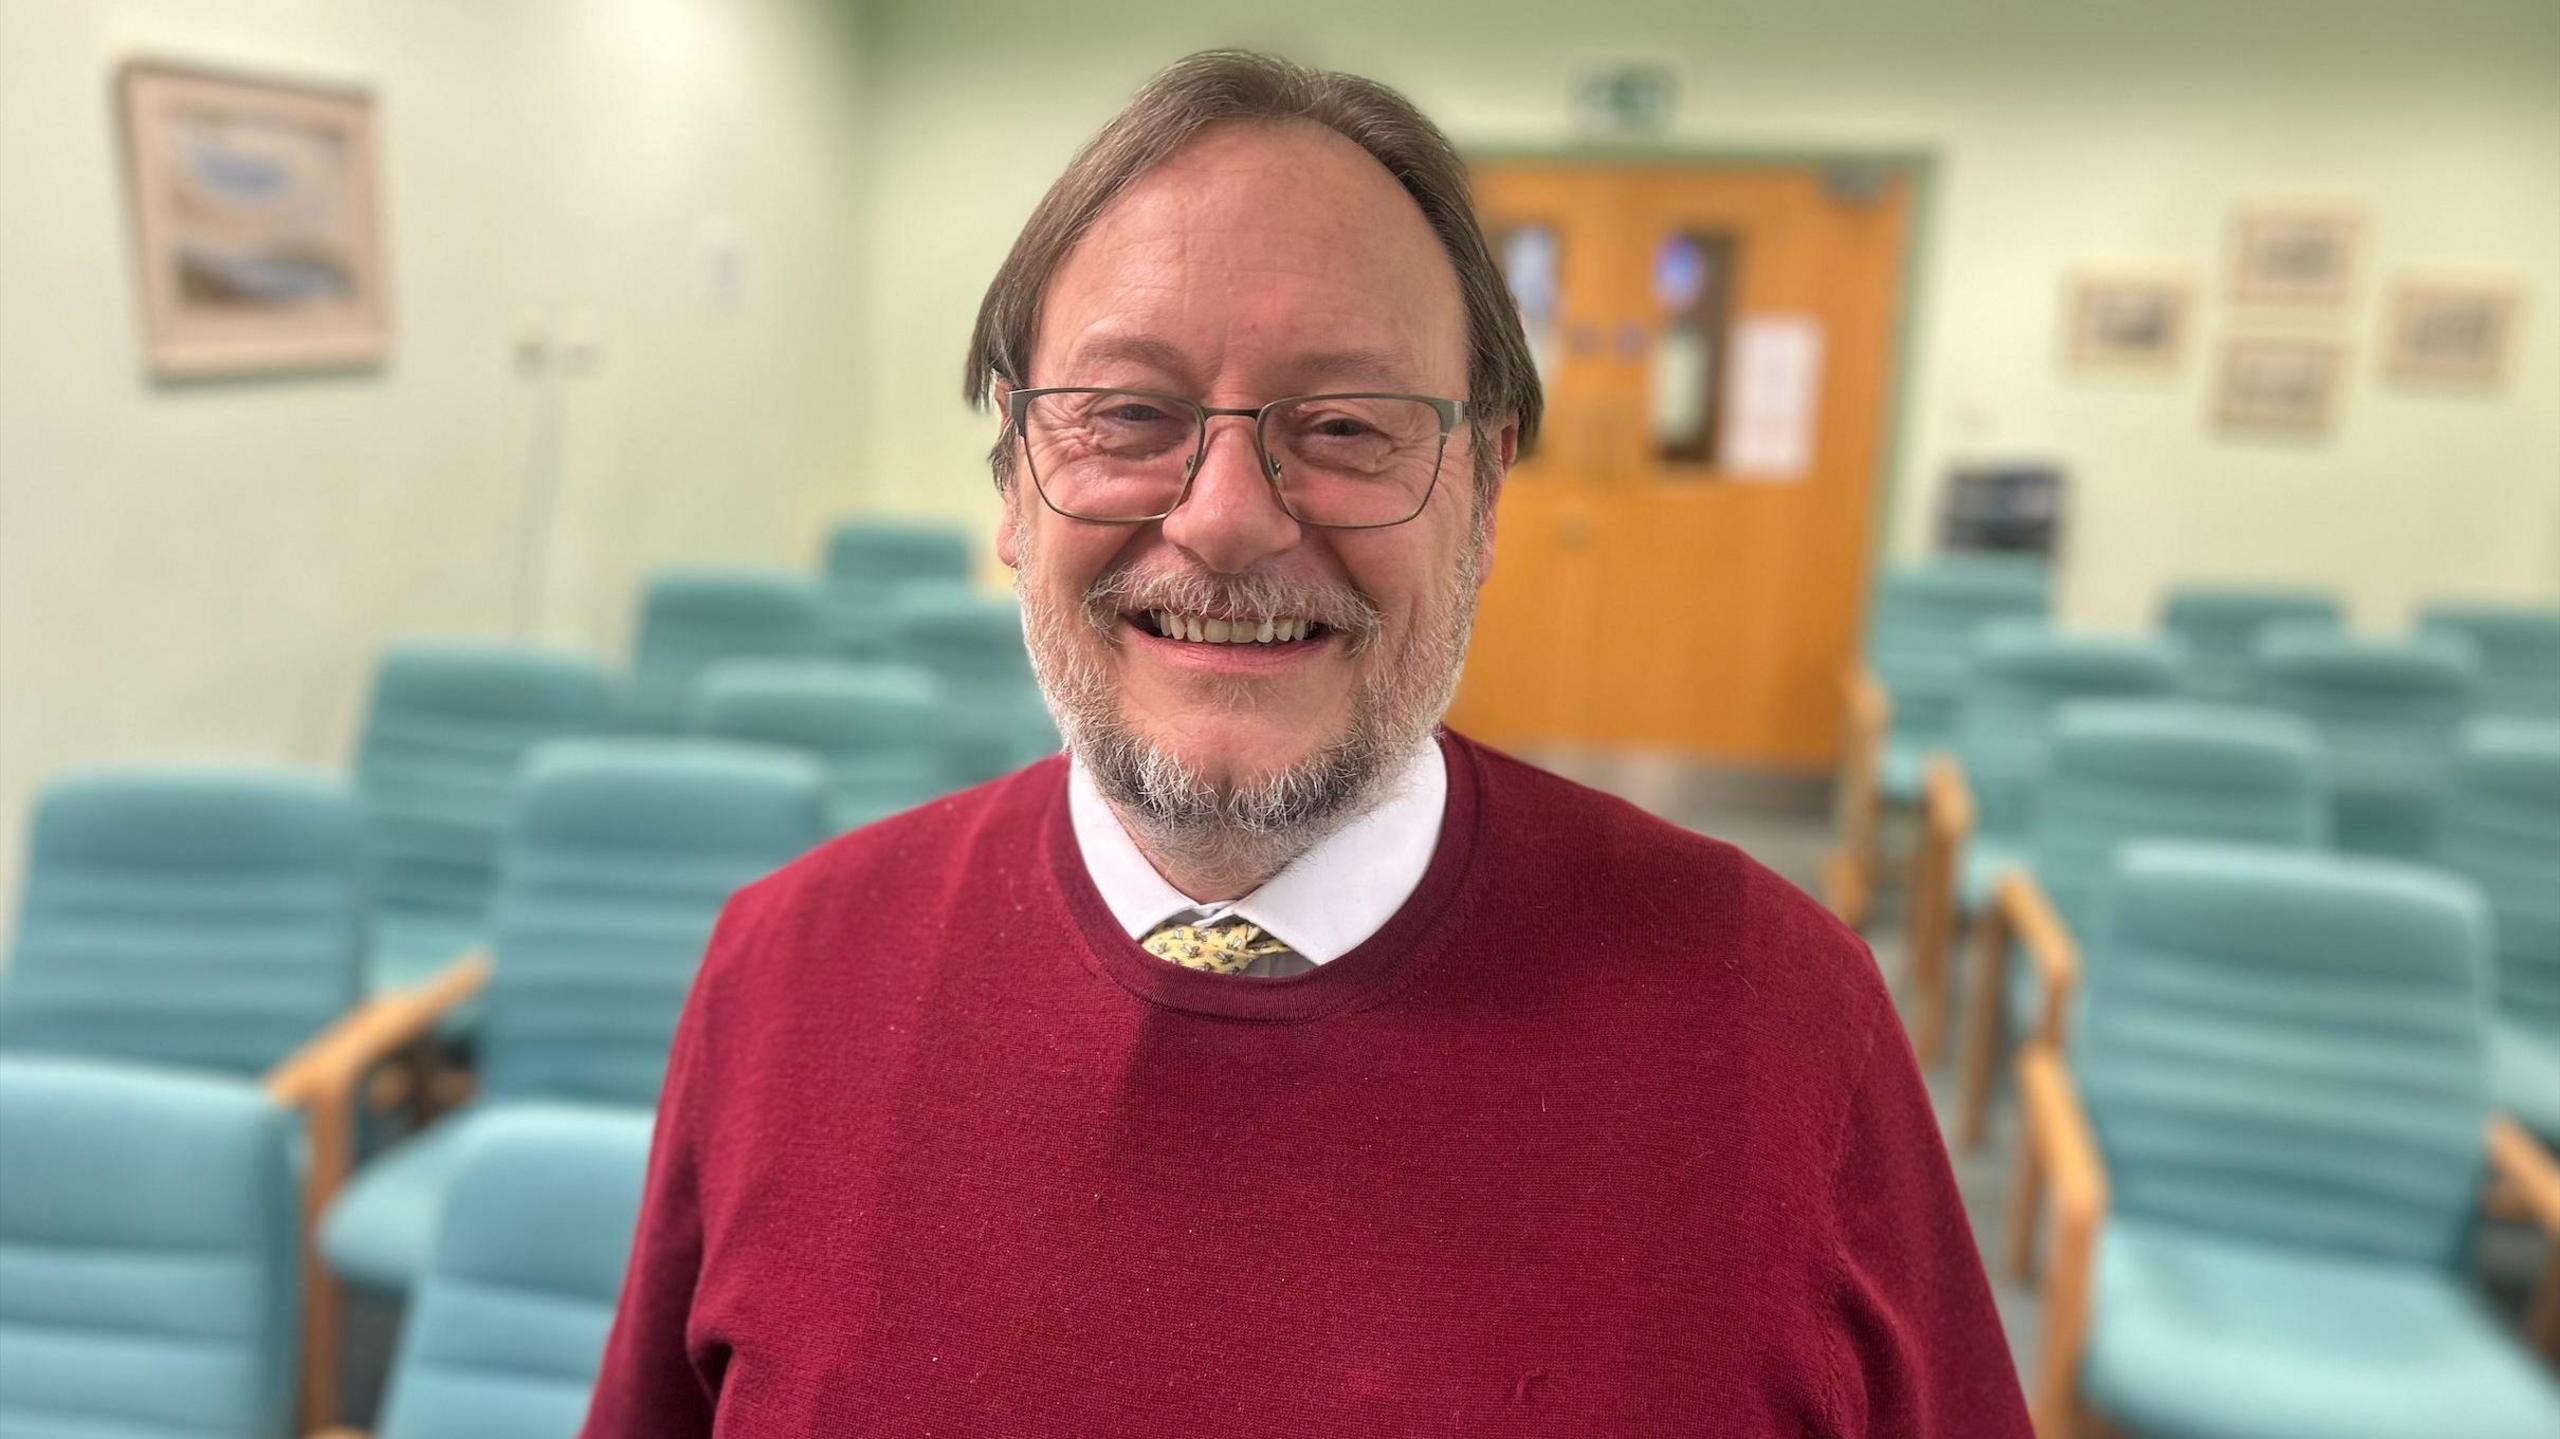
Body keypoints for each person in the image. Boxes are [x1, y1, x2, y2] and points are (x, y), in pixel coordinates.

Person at [585, 49, 2028, 1436]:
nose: (1223, 516)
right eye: (1128, 415)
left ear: (1484, 485)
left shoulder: (1786, 1026)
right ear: (1013, 485)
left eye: (1344, 425)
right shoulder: (783, 972)